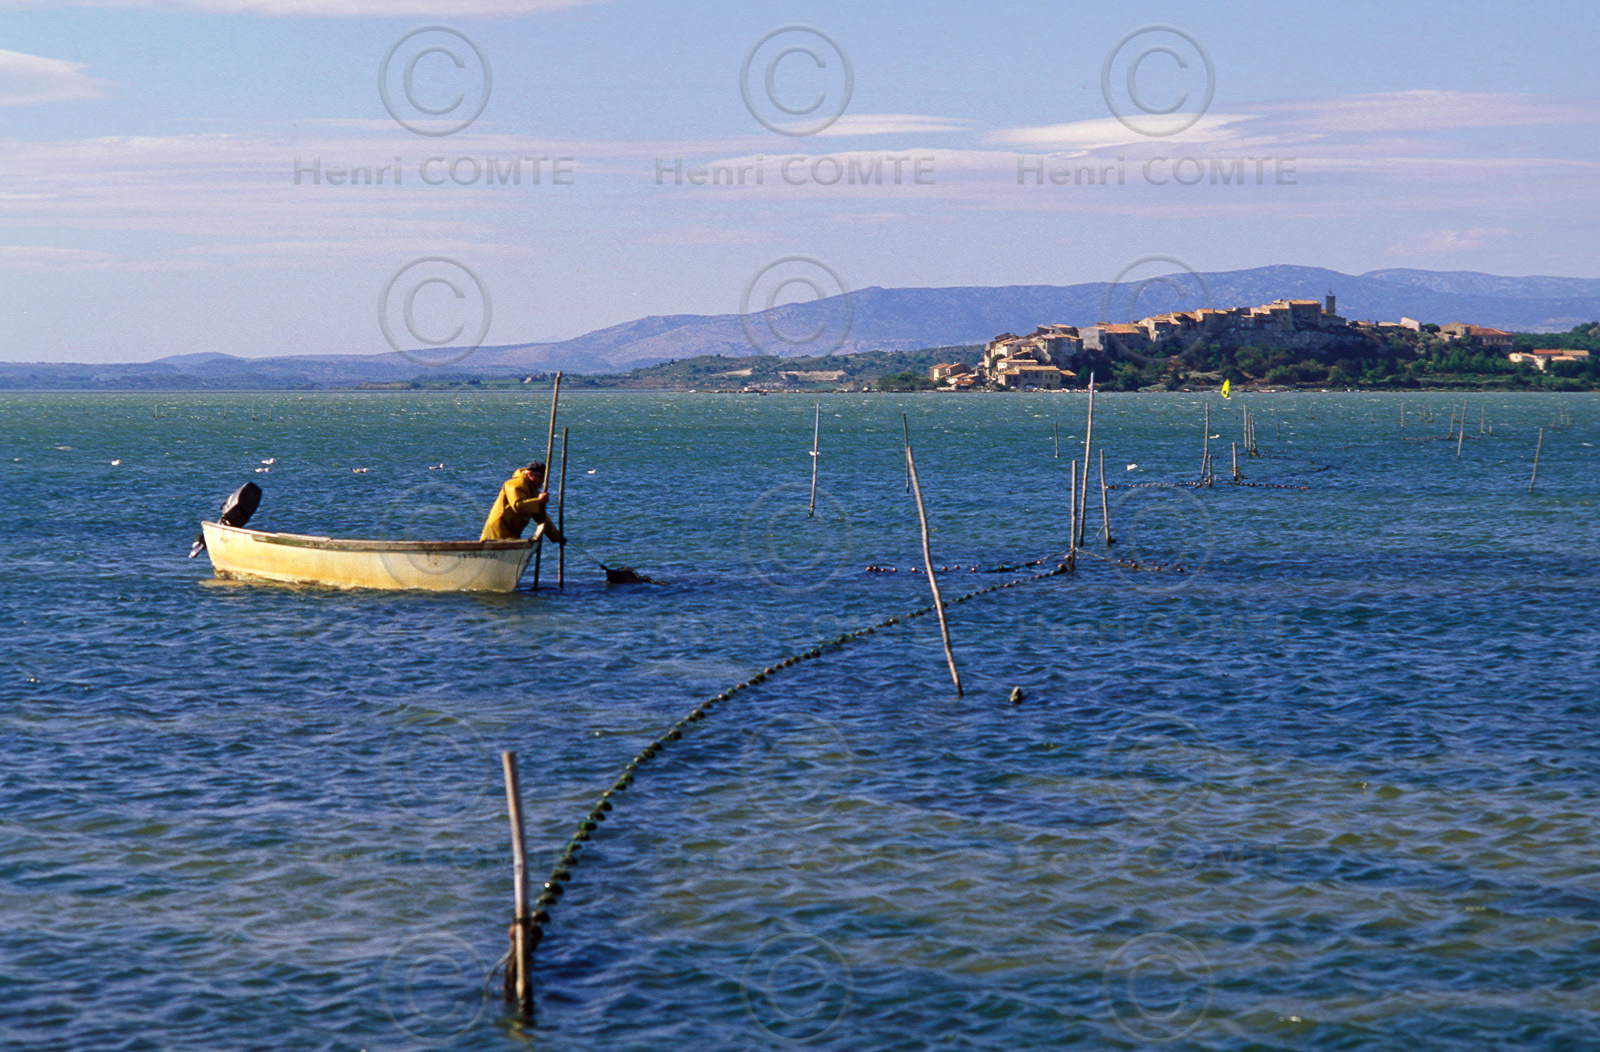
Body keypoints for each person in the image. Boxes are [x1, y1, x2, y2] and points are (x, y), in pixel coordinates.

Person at [480, 460, 566, 544]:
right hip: (498, 532)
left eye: (544, 477)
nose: (543, 480)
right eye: (540, 477)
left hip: (512, 534)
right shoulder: (514, 484)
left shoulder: (533, 491)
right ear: (530, 474)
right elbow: (518, 506)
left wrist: (557, 537)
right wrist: (539, 501)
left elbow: (542, 518)